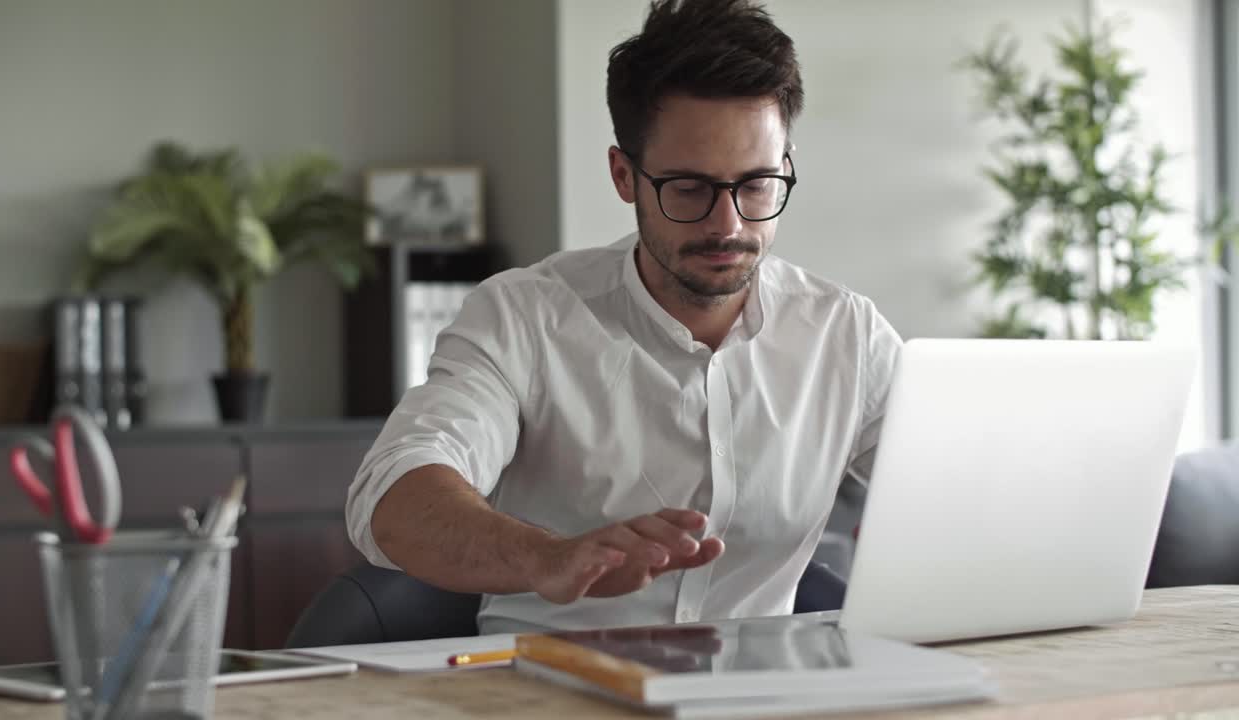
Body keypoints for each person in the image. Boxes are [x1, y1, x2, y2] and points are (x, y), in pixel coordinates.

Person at [346, 0, 902, 634]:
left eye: (756, 185)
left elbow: (961, 493)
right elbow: (392, 498)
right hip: (547, 692)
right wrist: (548, 557)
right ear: (623, 175)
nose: (729, 225)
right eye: (689, 189)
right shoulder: (524, 317)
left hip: (762, 693)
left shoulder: (846, 334)